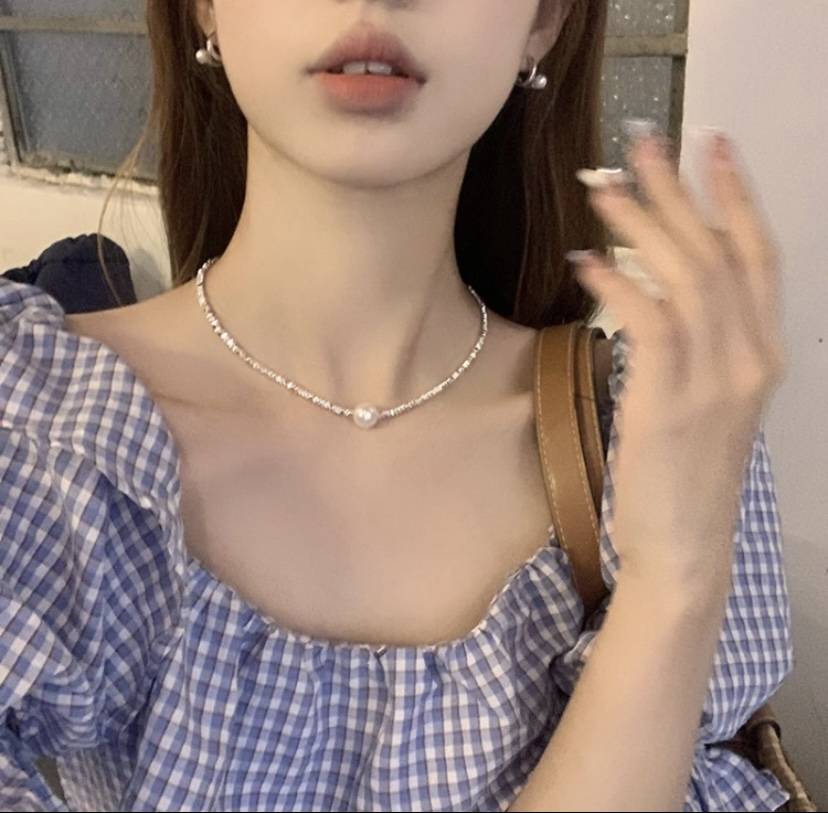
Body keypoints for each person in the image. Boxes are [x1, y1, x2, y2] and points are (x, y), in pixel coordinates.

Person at [0, 1, 792, 810]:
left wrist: (671, 579)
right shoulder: (37, 424)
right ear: (205, 7)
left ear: (543, 20)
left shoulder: (656, 431)